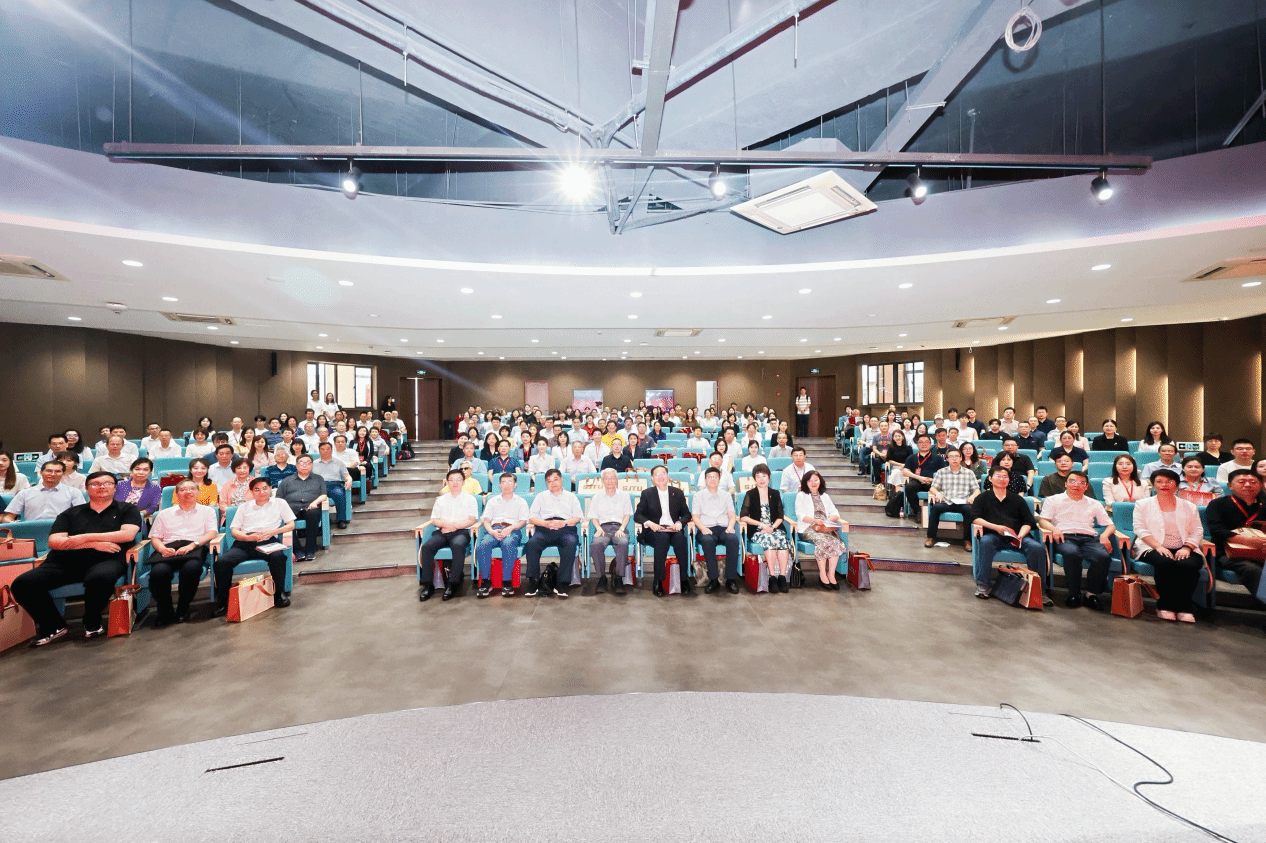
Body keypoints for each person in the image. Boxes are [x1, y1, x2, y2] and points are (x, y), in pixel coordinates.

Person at [11, 472, 143, 645]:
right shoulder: (71, 513)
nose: (101, 487)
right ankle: (53, 626)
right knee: (22, 584)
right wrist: (93, 544)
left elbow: (126, 535)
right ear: (86, 488)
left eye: (107, 483)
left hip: (107, 559)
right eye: (95, 484)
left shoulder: (127, 509)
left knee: (99, 577)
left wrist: (82, 537)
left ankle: (92, 621)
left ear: (114, 487)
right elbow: (54, 541)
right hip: (65, 561)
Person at [1131, 468, 1206, 622]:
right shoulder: (1142, 504)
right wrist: (1158, 547)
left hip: (1184, 546)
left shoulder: (1189, 506)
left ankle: (1184, 607)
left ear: (1177, 485)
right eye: (1159, 481)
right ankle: (1164, 605)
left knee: (1189, 565)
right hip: (1152, 546)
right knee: (1165, 562)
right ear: (1153, 484)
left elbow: (1198, 530)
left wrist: (1187, 547)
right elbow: (1139, 529)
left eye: (1169, 481)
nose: (1164, 485)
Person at [212, 478, 294, 617]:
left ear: (270, 489)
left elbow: (291, 525)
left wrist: (273, 532)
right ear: (251, 491)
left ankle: (279, 594)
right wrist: (247, 537)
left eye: (265, 488)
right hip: (245, 542)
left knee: (278, 557)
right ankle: (223, 602)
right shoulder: (244, 507)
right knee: (222, 562)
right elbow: (234, 531)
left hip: (268, 540)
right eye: (257, 489)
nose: (262, 492)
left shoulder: (280, 503)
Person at [144, 479, 219, 626]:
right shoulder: (164, 514)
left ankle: (183, 608)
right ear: (177, 494)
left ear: (198, 492)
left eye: (192, 489)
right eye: (183, 490)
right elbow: (155, 537)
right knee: (158, 572)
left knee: (191, 569)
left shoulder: (207, 511)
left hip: (193, 547)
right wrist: (162, 549)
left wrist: (193, 545)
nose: (188, 492)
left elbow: (212, 532)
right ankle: (165, 609)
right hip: (168, 549)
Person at [970, 466, 1050, 603]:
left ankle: (1040, 590)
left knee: (1037, 548)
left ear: (1009, 480)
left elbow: (1028, 521)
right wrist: (996, 527)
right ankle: (983, 585)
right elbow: (975, 518)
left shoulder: (1017, 499)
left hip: (1018, 536)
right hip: (994, 534)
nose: (1002, 479)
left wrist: (1021, 535)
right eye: (998, 476)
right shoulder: (982, 498)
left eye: (1005, 477)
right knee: (985, 542)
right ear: (990, 478)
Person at [1038, 472, 1115, 609]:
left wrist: (1104, 535)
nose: (1076, 485)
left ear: (1086, 486)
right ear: (1066, 483)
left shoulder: (1094, 503)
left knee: (1103, 556)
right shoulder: (1053, 500)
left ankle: (1091, 594)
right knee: (1072, 554)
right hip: (1065, 536)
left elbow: (1110, 525)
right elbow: (1043, 520)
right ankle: (1074, 593)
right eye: (1072, 481)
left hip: (1088, 538)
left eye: (1081, 482)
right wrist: (1054, 529)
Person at [1205, 469, 1266, 606]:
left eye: (1253, 482)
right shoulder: (1217, 504)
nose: (1248, 485)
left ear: (1261, 485)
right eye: (1241, 481)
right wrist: (1247, 540)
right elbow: (1216, 530)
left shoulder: (1264, 505)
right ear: (1229, 485)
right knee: (1252, 569)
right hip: (1228, 553)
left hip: (1262, 551)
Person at [417, 469, 479, 602]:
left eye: (458, 480)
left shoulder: (470, 499)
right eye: (452, 480)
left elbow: (471, 520)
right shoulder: (440, 500)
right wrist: (446, 525)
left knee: (458, 545)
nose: (455, 483)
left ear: (463, 482)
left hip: (461, 531)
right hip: (442, 531)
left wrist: (453, 526)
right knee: (427, 547)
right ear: (447, 482)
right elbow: (435, 520)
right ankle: (428, 585)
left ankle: (452, 584)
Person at [634, 465, 693, 597]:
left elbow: (687, 514)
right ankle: (658, 580)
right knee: (663, 538)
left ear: (667, 476)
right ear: (652, 478)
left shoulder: (677, 492)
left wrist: (679, 523)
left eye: (663, 473)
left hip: (673, 528)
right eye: (657, 474)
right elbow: (638, 515)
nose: (660, 476)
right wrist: (650, 523)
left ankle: (684, 579)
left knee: (680, 539)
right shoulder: (647, 493)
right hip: (655, 530)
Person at [525, 469, 583, 598]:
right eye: (549, 481)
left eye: (555, 479)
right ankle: (533, 580)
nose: (553, 483)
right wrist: (544, 523)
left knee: (571, 543)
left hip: (565, 529)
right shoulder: (540, 496)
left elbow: (578, 517)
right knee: (532, 544)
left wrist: (564, 523)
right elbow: (532, 518)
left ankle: (562, 582)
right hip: (545, 528)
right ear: (546, 484)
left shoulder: (571, 497)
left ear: (562, 480)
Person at [739, 464, 791, 592]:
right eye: (758, 476)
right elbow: (743, 517)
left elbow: (780, 516)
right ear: (754, 479)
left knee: (782, 540)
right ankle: (772, 577)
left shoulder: (775, 493)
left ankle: (782, 577)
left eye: (764, 476)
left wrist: (772, 527)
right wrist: (761, 525)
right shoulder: (750, 494)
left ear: (769, 477)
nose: (761, 479)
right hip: (757, 529)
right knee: (769, 540)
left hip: (775, 528)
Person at [691, 466, 741, 594]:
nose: (712, 479)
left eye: (715, 477)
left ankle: (731, 579)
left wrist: (730, 526)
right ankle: (713, 580)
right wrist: (703, 528)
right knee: (707, 541)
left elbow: (732, 515)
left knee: (733, 539)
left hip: (724, 528)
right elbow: (695, 517)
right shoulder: (698, 496)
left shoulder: (726, 495)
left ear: (719, 479)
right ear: (705, 479)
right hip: (706, 528)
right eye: (710, 477)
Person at [795, 470, 846, 590]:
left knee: (836, 541)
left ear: (820, 481)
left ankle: (831, 574)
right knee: (823, 541)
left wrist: (827, 521)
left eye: (816, 480)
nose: (813, 483)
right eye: (810, 481)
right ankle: (822, 574)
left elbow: (835, 513)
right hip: (808, 528)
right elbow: (800, 515)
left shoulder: (825, 496)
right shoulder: (801, 495)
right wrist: (815, 520)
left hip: (824, 527)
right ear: (806, 483)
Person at [587, 469, 634, 595]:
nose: (610, 481)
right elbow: (594, 517)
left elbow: (627, 515)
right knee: (596, 545)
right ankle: (601, 578)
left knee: (623, 543)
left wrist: (622, 529)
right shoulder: (596, 497)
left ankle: (618, 578)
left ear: (617, 480)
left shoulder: (624, 495)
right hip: (603, 528)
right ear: (602, 481)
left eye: (612, 478)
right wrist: (598, 528)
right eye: (607, 478)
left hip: (619, 527)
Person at [926, 447, 980, 550]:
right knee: (935, 508)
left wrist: (972, 496)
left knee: (969, 510)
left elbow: (977, 490)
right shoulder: (941, 472)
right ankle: (931, 537)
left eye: (956, 456)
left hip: (963, 502)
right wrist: (938, 493)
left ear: (961, 458)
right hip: (946, 501)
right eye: (951, 456)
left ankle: (967, 540)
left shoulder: (969, 473)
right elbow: (932, 488)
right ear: (947, 458)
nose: (954, 459)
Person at [276, 455, 327, 562]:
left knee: (313, 514)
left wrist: (315, 502)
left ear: (312, 465)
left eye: (308, 463)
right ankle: (297, 550)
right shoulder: (287, 481)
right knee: (285, 517)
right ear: (296, 465)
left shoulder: (319, 479)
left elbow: (324, 495)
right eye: (302, 463)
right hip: (291, 508)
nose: (305, 465)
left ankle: (310, 549)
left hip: (310, 507)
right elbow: (278, 499)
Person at [1, 460, 84, 523]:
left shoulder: (74, 492)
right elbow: (8, 517)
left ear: (63, 473)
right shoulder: (25, 493)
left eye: (57, 471)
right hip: (31, 531)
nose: (52, 474)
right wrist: (13, 523)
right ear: (41, 472)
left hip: (63, 532)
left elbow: (81, 516)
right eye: (49, 471)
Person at [902, 433, 947, 522]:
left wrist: (932, 480)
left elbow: (944, 474)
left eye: (926, 442)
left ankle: (936, 512)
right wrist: (919, 478)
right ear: (917, 444)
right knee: (909, 487)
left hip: (933, 482)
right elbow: (905, 471)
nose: (924, 444)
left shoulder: (938, 458)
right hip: (917, 481)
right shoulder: (912, 457)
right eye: (921, 442)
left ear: (930, 444)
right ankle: (917, 511)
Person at [313, 442, 353, 529]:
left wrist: (349, 480)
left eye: (328, 449)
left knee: (340, 494)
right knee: (312, 497)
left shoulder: (339, 462)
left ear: (332, 450)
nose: (325, 451)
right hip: (318, 486)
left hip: (334, 485)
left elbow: (347, 476)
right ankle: (321, 520)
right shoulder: (313, 463)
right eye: (322, 449)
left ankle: (341, 520)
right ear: (319, 451)